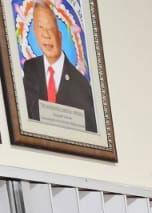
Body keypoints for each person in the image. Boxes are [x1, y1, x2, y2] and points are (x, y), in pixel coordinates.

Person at [21, 2, 98, 132]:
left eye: (50, 28)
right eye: (41, 28)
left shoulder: (81, 84)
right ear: (35, 34)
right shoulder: (30, 68)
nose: (46, 35)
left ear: (60, 35)